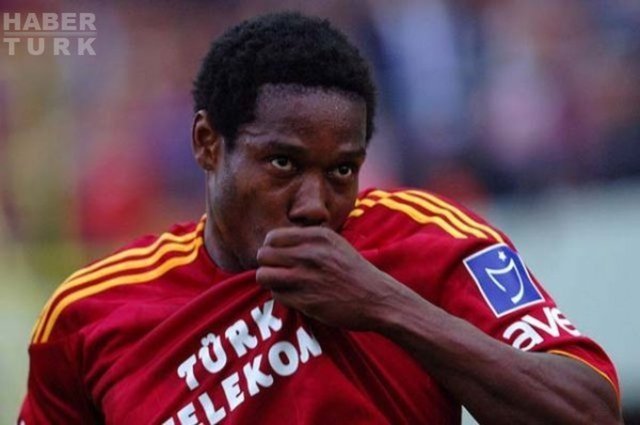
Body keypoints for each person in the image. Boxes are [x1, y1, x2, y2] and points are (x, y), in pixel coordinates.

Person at [20, 12, 621, 425]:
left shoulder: (428, 238)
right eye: (283, 163)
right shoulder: (89, 315)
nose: (314, 204)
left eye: (341, 171)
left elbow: (590, 411)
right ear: (208, 143)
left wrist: (384, 305)